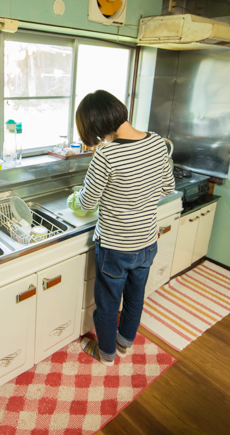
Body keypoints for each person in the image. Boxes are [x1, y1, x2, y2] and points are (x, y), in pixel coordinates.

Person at [72, 90, 175, 365]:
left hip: (115, 247)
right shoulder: (158, 143)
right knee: (134, 298)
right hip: (146, 242)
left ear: (97, 125)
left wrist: (76, 197)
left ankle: (105, 354)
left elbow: (87, 203)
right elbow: (168, 187)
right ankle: (124, 343)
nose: (96, 139)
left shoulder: (106, 156)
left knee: (107, 305)